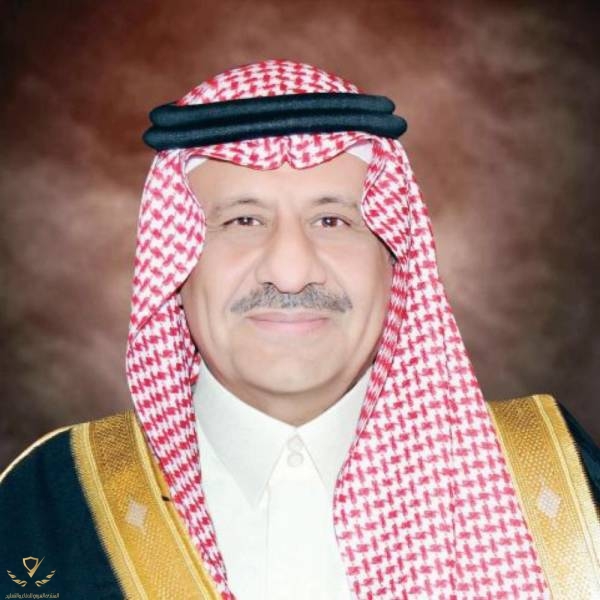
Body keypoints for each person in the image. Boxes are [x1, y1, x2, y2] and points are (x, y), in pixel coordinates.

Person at [1, 60, 598, 599]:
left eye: (332, 220)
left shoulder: (557, 489)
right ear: (175, 263)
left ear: (394, 260)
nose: (290, 272)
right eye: (242, 220)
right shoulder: (49, 505)